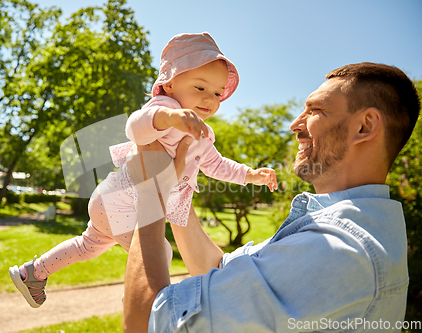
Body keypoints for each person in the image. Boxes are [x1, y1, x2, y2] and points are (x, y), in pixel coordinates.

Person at [122, 62, 421, 332]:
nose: (295, 125)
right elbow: (219, 268)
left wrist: (152, 191)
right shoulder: (340, 228)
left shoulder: (339, 249)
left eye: (315, 110)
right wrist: (176, 181)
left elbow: (147, 321)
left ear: (364, 126)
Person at [9, 32, 277, 308]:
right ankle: (141, 304)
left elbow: (218, 165)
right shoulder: (165, 109)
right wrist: (171, 118)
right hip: (121, 201)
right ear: (170, 84)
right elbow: (136, 126)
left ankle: (33, 272)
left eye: (218, 93)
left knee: (86, 246)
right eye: (200, 88)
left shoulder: (202, 133)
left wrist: (250, 174)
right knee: (158, 250)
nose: (210, 99)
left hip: (114, 202)